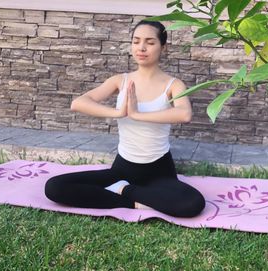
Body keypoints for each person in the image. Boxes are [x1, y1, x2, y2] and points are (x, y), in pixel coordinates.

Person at [44, 20, 205, 218]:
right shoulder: (120, 80)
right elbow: (78, 102)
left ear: (163, 47)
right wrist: (118, 112)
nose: (142, 48)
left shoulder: (173, 84)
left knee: (192, 204)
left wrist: (138, 114)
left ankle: (124, 191)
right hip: (122, 169)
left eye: (150, 42)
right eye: (136, 41)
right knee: (55, 187)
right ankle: (135, 200)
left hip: (159, 171)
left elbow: (184, 113)